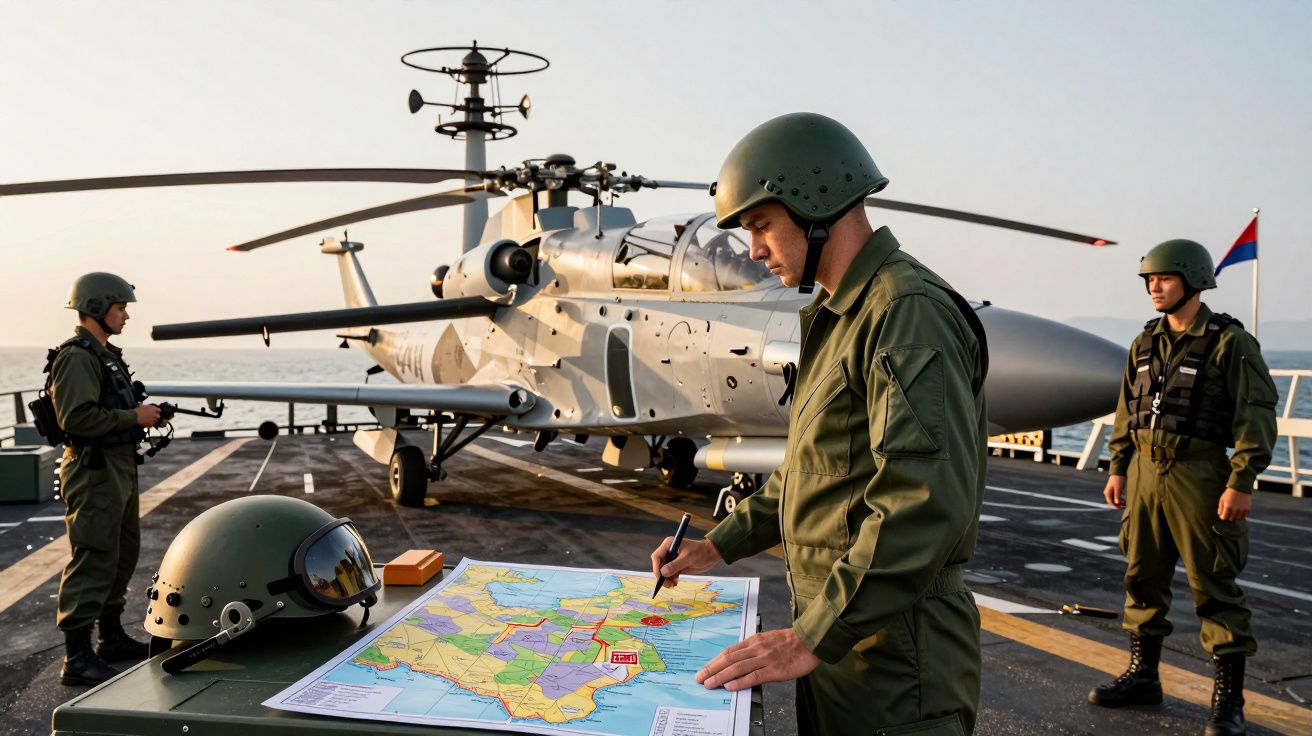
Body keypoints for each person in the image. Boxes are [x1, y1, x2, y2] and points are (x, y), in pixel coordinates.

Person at [650, 113, 989, 735]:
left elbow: (922, 501)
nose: (753, 250)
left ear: (815, 206)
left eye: (761, 225)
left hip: (896, 660)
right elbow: (808, 473)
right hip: (847, 644)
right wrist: (716, 544)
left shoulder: (906, 313)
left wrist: (810, 636)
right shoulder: (840, 315)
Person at [1091, 240, 1278, 736]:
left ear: (1193, 282)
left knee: (1213, 585)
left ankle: (1228, 702)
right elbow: (1127, 410)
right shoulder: (1144, 342)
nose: (1154, 286)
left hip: (1200, 475)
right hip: (1145, 474)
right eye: (1150, 279)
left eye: (1165, 278)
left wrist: (1241, 480)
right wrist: (1117, 467)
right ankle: (1143, 676)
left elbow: (1255, 415)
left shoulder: (1229, 343)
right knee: (1141, 576)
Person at [47, 272, 163, 686]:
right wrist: (135, 416)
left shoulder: (104, 354)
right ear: (97, 308)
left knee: (120, 552)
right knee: (94, 555)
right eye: (120, 307)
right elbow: (75, 418)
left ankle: (110, 639)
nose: (126, 315)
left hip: (118, 465)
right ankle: (76, 657)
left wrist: (143, 415)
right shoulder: (77, 357)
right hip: (95, 471)